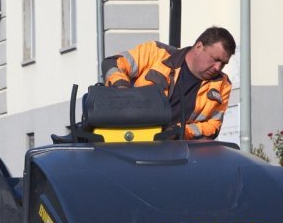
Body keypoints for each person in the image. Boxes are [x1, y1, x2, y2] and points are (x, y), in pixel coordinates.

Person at [101, 26, 235, 140]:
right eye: (215, 59)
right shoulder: (156, 53)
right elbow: (113, 63)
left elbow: (213, 126)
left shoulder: (222, 85)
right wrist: (122, 89)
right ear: (199, 47)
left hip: (175, 150)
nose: (218, 67)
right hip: (127, 138)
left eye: (223, 63)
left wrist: (180, 131)